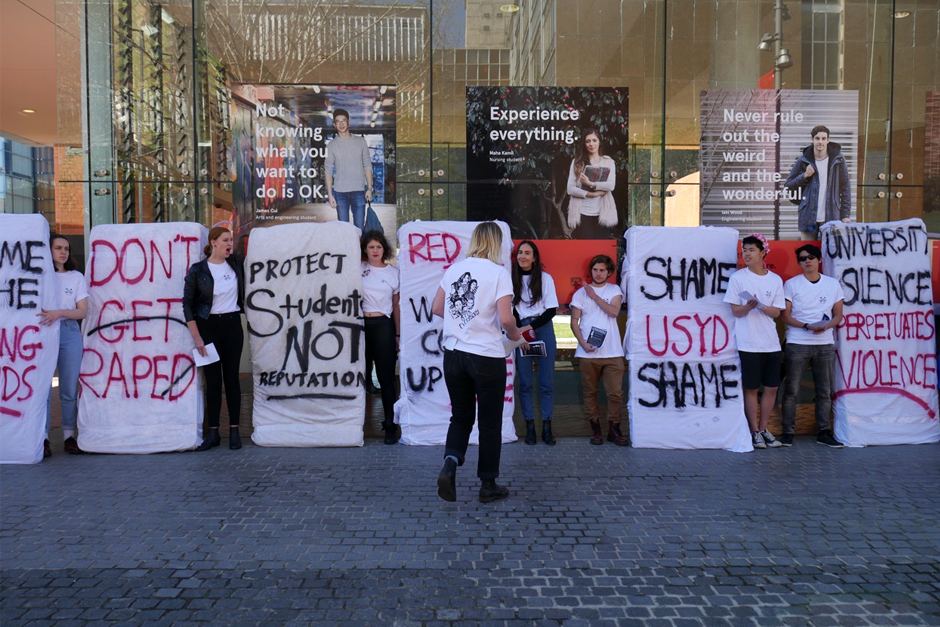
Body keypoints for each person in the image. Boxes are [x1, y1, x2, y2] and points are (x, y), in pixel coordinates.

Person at [432, 222, 522, 503]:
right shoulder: (499, 273)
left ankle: (450, 463)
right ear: (496, 243)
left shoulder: (455, 269)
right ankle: (488, 484)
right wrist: (517, 336)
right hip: (486, 356)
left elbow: (436, 308)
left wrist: (462, 325)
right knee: (490, 422)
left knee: (460, 416)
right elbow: (506, 319)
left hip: (454, 354)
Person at [183, 227, 245, 451]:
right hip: (207, 327)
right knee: (213, 381)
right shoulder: (199, 269)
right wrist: (197, 337)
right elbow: (187, 305)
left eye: (231, 240)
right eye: (225, 240)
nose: (230, 244)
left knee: (232, 379)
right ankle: (213, 433)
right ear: (213, 242)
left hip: (231, 326)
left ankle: (235, 430)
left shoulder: (236, 264)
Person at [723, 234, 785, 450]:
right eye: (744, 250)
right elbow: (734, 311)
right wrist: (748, 307)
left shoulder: (775, 280)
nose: (746, 254)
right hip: (748, 343)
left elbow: (777, 312)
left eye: (751, 250)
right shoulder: (738, 278)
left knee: (771, 387)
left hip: (771, 343)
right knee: (750, 388)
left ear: (762, 252)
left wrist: (760, 306)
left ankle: (764, 427)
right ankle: (753, 431)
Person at [781, 244, 845, 448]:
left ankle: (823, 431)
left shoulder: (833, 284)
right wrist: (807, 326)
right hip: (797, 342)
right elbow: (786, 316)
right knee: (791, 390)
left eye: (811, 257)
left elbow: (838, 315)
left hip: (824, 343)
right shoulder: (791, 284)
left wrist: (826, 326)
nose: (807, 261)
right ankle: (787, 432)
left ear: (819, 260)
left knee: (824, 391)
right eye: (802, 258)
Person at [39, 235, 88, 458]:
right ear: (48, 250)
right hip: (43, 330)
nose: (63, 252)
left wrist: (58, 313)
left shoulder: (75, 277)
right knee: (44, 389)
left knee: (68, 388)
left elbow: (82, 311)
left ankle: (69, 436)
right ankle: (44, 438)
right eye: (58, 248)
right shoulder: (40, 276)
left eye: (66, 249)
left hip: (68, 331)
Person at [570, 254, 628, 446]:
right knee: (590, 393)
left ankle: (614, 428)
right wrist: (583, 343)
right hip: (588, 353)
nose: (599, 273)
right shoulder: (580, 293)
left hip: (613, 352)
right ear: (591, 270)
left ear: (609, 272)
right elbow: (574, 321)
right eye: (595, 269)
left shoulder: (614, 289)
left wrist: (594, 296)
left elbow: (614, 311)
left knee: (615, 393)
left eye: (602, 270)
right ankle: (596, 430)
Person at [512, 241, 558, 446]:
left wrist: (530, 329)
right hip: (520, 328)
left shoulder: (545, 279)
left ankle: (547, 426)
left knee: (546, 382)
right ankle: (530, 426)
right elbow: (509, 308)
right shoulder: (509, 279)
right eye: (520, 252)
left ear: (535, 257)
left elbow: (551, 310)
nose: (522, 256)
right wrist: (519, 331)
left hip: (542, 328)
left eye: (527, 253)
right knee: (525, 382)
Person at [361, 230, 401, 444]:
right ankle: (357, 423)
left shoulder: (393, 272)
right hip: (361, 325)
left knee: (386, 378)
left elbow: (396, 306)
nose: (375, 250)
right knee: (360, 377)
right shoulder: (358, 269)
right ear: (365, 249)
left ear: (384, 248)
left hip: (383, 325)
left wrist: (397, 333)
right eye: (371, 247)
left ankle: (390, 423)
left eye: (378, 246)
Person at [784, 125, 852, 240]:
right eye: (817, 138)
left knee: (830, 254)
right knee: (808, 253)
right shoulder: (803, 160)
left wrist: (845, 215)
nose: (820, 142)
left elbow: (845, 188)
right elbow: (788, 185)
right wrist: (805, 175)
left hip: (831, 216)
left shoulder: (838, 160)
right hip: (808, 217)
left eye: (823, 138)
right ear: (812, 140)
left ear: (828, 140)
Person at [325, 108, 373, 231]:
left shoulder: (360, 141)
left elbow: (367, 165)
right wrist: (330, 195)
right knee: (344, 230)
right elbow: (328, 170)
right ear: (334, 125)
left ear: (348, 122)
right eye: (338, 121)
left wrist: (369, 188)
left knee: (359, 229)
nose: (341, 124)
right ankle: (347, 251)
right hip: (340, 192)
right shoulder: (332, 145)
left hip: (358, 191)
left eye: (343, 121)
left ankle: (358, 250)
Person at [566, 128, 618, 239]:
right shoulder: (577, 162)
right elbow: (570, 189)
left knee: (601, 249)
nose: (591, 144)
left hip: (603, 213)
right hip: (582, 213)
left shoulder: (608, 162)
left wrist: (590, 184)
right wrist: (591, 194)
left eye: (594, 140)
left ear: (599, 142)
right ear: (584, 144)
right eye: (588, 141)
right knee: (585, 249)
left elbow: (611, 185)